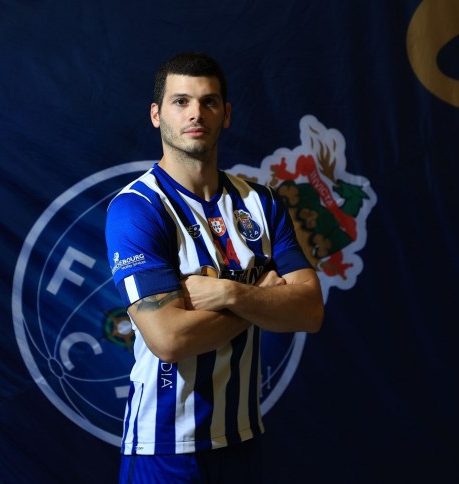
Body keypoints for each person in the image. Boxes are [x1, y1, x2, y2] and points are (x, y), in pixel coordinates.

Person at [105, 52, 324, 483]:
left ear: (226, 114)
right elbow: (169, 339)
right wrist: (263, 300)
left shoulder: (261, 202)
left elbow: (310, 310)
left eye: (209, 102)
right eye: (180, 101)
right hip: (164, 448)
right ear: (156, 115)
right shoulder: (137, 208)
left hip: (242, 438)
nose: (196, 113)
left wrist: (232, 293)